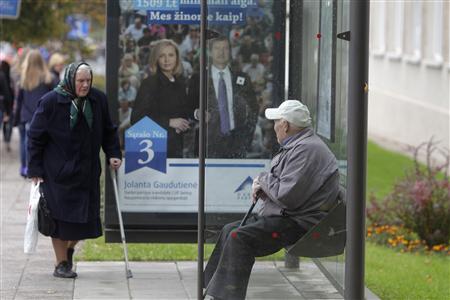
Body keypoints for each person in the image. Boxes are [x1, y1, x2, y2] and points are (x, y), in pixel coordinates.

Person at [204, 100, 340, 300]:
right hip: (287, 216)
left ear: (285, 125)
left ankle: (226, 297)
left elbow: (287, 196)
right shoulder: (300, 145)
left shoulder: (306, 150)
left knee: (238, 238)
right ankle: (211, 290)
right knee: (228, 231)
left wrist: (262, 180)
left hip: (299, 223)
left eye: (276, 122)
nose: (273, 126)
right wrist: (266, 186)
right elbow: (287, 189)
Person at [27, 62, 122, 278]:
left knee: (84, 220)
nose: (85, 85)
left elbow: (109, 130)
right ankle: (61, 264)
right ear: (70, 79)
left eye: (88, 81)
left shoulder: (98, 100)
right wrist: (35, 169)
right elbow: (35, 137)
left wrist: (114, 153)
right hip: (58, 173)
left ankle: (69, 252)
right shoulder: (51, 101)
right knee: (59, 221)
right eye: (81, 81)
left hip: (87, 172)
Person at [187, 36, 258, 158]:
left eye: (225, 48)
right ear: (210, 51)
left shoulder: (242, 78)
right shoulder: (198, 78)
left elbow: (253, 110)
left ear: (230, 52)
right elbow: (188, 108)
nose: (221, 52)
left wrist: (245, 141)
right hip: (207, 143)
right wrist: (197, 114)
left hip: (236, 144)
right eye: (217, 48)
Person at [131, 39, 191, 158]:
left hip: (176, 147)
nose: (167, 60)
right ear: (156, 59)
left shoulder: (180, 83)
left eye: (171, 55)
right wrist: (169, 122)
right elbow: (136, 118)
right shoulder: (149, 83)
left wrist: (183, 125)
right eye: (162, 56)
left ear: (177, 58)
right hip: (153, 151)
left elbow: (182, 114)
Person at [15, 49, 57, 177]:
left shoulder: (23, 79)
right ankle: (36, 167)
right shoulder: (48, 78)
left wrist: (16, 118)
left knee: (25, 142)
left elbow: (19, 101)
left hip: (26, 115)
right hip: (43, 115)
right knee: (41, 142)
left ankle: (25, 167)